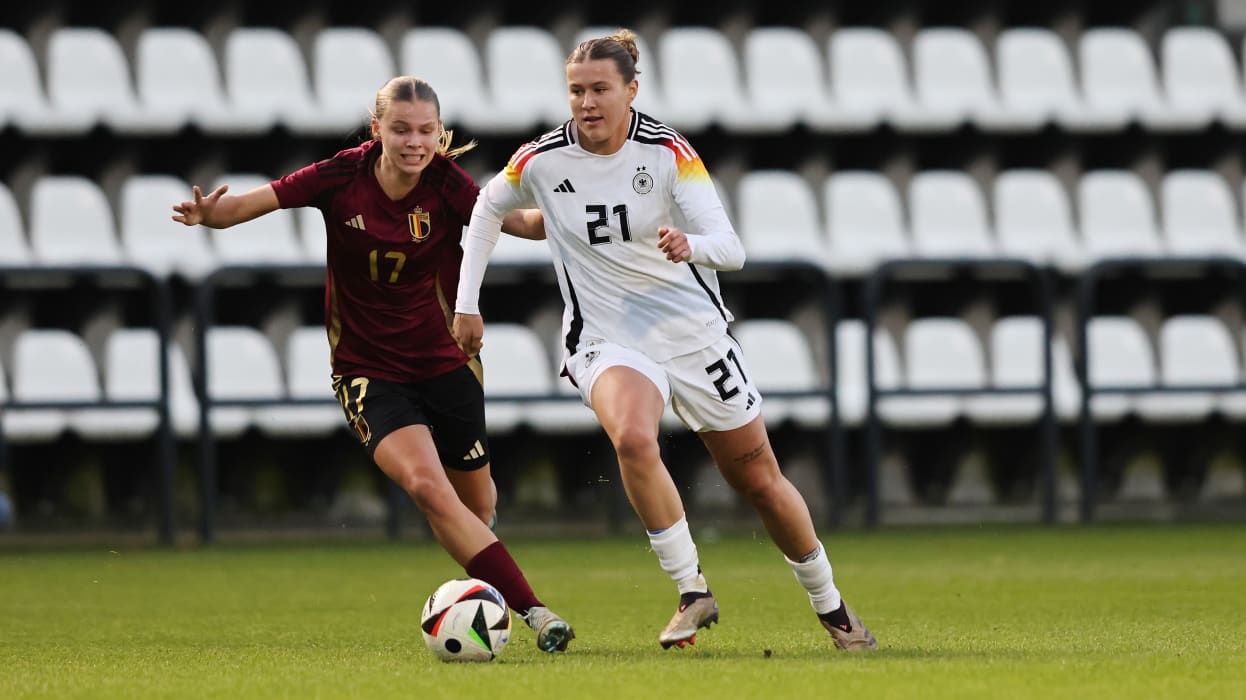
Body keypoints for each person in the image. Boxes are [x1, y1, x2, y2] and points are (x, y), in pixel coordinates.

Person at [453, 30, 877, 651]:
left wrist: (690, 245)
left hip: (693, 335)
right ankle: (691, 589)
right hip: (605, 336)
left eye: (600, 89)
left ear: (631, 89)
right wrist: (467, 305)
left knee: (758, 480)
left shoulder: (669, 152)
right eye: (576, 91)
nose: (587, 102)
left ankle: (832, 607)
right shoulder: (540, 159)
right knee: (630, 435)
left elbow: (729, 249)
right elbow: (487, 210)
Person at [171, 76, 574, 653]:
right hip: (368, 370)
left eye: (426, 131)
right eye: (401, 129)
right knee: (427, 488)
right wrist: (211, 215)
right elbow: (255, 202)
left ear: (440, 133)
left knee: (478, 507)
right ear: (376, 128)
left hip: (446, 363)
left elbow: (521, 224)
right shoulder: (342, 175)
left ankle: (481, 612)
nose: (415, 142)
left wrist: (575, 214)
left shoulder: (446, 183)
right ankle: (535, 612)